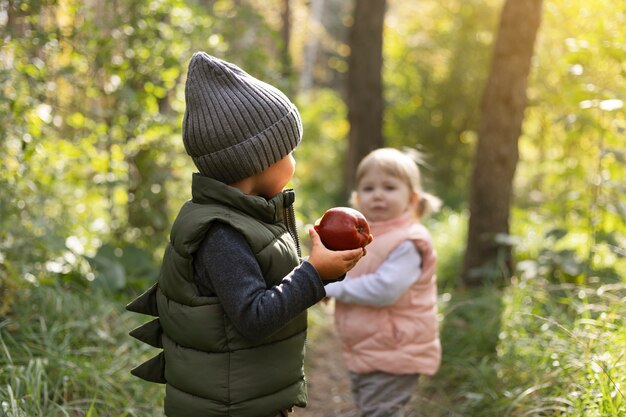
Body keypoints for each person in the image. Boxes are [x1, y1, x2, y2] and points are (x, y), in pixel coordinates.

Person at [126, 52, 365, 417]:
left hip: (247, 395)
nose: (294, 159)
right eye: (288, 150)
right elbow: (254, 316)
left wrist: (324, 270)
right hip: (232, 406)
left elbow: (267, 285)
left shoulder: (248, 215)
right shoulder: (222, 234)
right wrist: (313, 274)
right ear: (257, 161)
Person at [324, 147, 442, 417]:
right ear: (357, 197)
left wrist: (331, 287)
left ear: (411, 198)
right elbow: (352, 275)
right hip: (368, 348)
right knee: (372, 409)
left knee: (380, 411)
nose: (377, 194)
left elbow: (384, 290)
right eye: (368, 188)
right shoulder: (362, 237)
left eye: (389, 187)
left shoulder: (409, 241)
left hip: (395, 351)